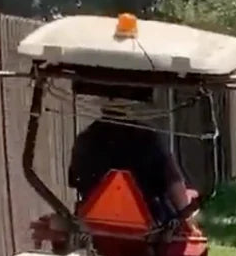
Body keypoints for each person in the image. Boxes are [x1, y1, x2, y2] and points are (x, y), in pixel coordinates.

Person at [68, 87, 197, 222]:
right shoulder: (149, 138)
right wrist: (185, 214)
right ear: (131, 108)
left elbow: (76, 179)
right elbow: (174, 184)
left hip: (94, 220)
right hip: (149, 224)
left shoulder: (86, 138)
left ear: (103, 107)